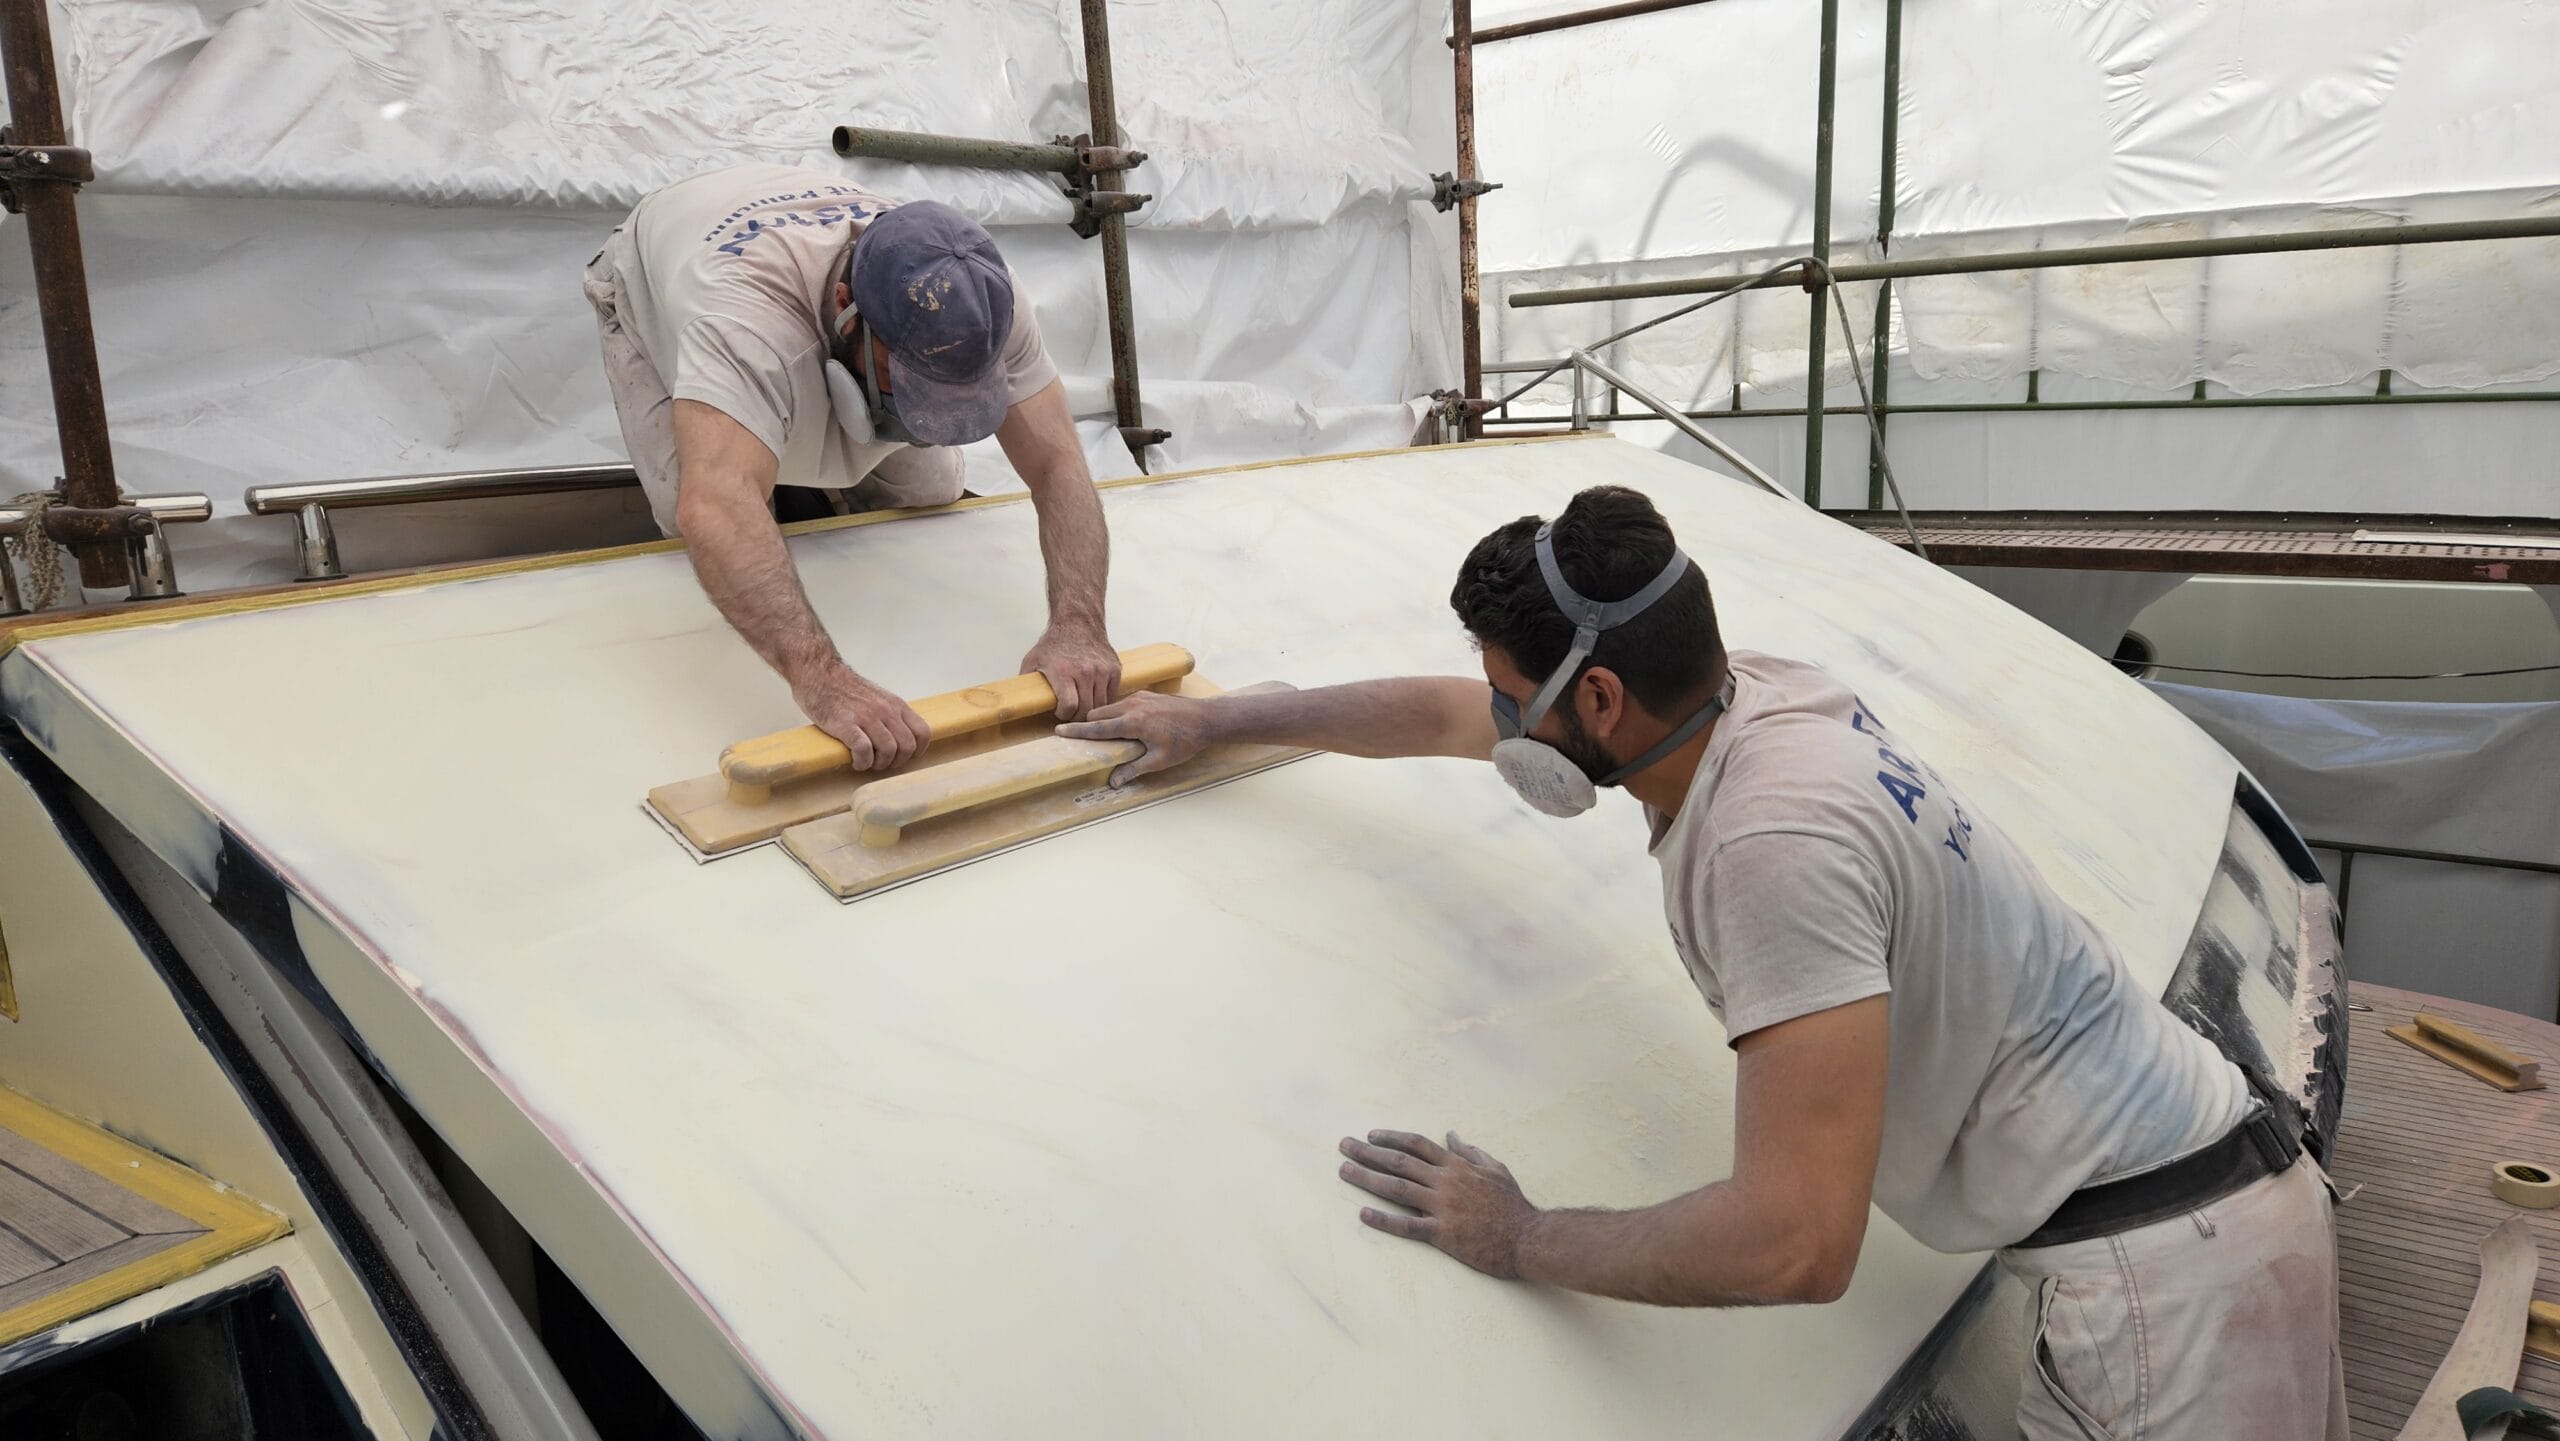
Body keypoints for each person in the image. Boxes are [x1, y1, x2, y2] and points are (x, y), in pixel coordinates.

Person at [1060, 484, 2347, 1440]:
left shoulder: (1766, 845)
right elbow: (1443, 715)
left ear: (1598, 700)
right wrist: (1222, 719)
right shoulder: (1765, 697)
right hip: (2205, 1208)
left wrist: (1519, 1234)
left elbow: (1795, 1241)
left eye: (1513, 693)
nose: (1496, 719)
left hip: (2170, 1291)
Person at [584, 164, 1122, 766]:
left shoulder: (981, 302)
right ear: (847, 307)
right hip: (656, 269)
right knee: (688, 506)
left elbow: (1057, 461)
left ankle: (792, 458)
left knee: (930, 491)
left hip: (800, 253)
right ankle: (763, 454)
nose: (922, 411)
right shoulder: (744, 323)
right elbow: (714, 505)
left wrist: (1080, 626)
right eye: (908, 382)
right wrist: (823, 678)